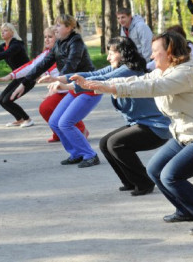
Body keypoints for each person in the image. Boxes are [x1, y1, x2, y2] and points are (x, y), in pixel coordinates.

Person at [81, 31, 193, 235]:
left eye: (155, 51)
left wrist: (110, 88)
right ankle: (185, 210)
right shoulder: (165, 71)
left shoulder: (184, 74)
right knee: (154, 170)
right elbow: (138, 80)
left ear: (170, 53)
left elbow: (150, 87)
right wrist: (103, 86)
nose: (151, 56)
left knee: (171, 176)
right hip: (185, 134)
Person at [71, 37, 171, 193]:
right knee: (105, 143)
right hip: (141, 124)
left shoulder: (129, 71)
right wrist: (60, 79)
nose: (107, 57)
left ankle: (145, 182)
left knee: (115, 143)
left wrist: (67, 86)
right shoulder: (120, 68)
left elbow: (102, 79)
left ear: (123, 54)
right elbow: (94, 73)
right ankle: (131, 182)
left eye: (111, 53)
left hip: (156, 127)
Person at [11, 14, 92, 143]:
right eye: (55, 25)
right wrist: (24, 83)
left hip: (83, 84)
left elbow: (70, 65)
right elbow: (42, 64)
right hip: (67, 84)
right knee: (45, 107)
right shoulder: (59, 43)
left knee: (64, 114)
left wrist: (56, 83)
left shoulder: (76, 42)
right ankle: (60, 134)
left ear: (69, 27)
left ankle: (80, 131)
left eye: (58, 25)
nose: (55, 28)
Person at [0, 27, 59, 136]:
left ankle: (27, 119)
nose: (46, 39)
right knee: (2, 100)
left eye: (50, 37)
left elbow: (54, 68)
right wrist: (10, 76)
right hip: (24, 77)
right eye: (45, 37)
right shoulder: (46, 52)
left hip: (62, 85)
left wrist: (44, 76)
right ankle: (20, 119)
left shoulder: (16, 45)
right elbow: (32, 65)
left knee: (52, 110)